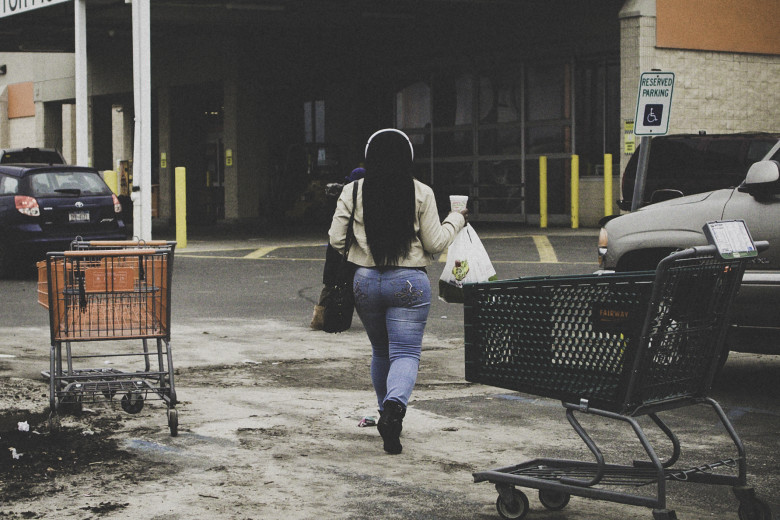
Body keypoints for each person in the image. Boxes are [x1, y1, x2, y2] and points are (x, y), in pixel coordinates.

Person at [328, 128, 467, 454]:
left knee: (380, 351)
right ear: (408, 158)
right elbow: (435, 243)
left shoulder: (353, 190)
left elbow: (336, 239)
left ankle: (383, 412)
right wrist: (456, 220)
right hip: (408, 283)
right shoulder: (421, 192)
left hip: (365, 281)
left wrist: (360, 254)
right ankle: (394, 409)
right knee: (405, 353)